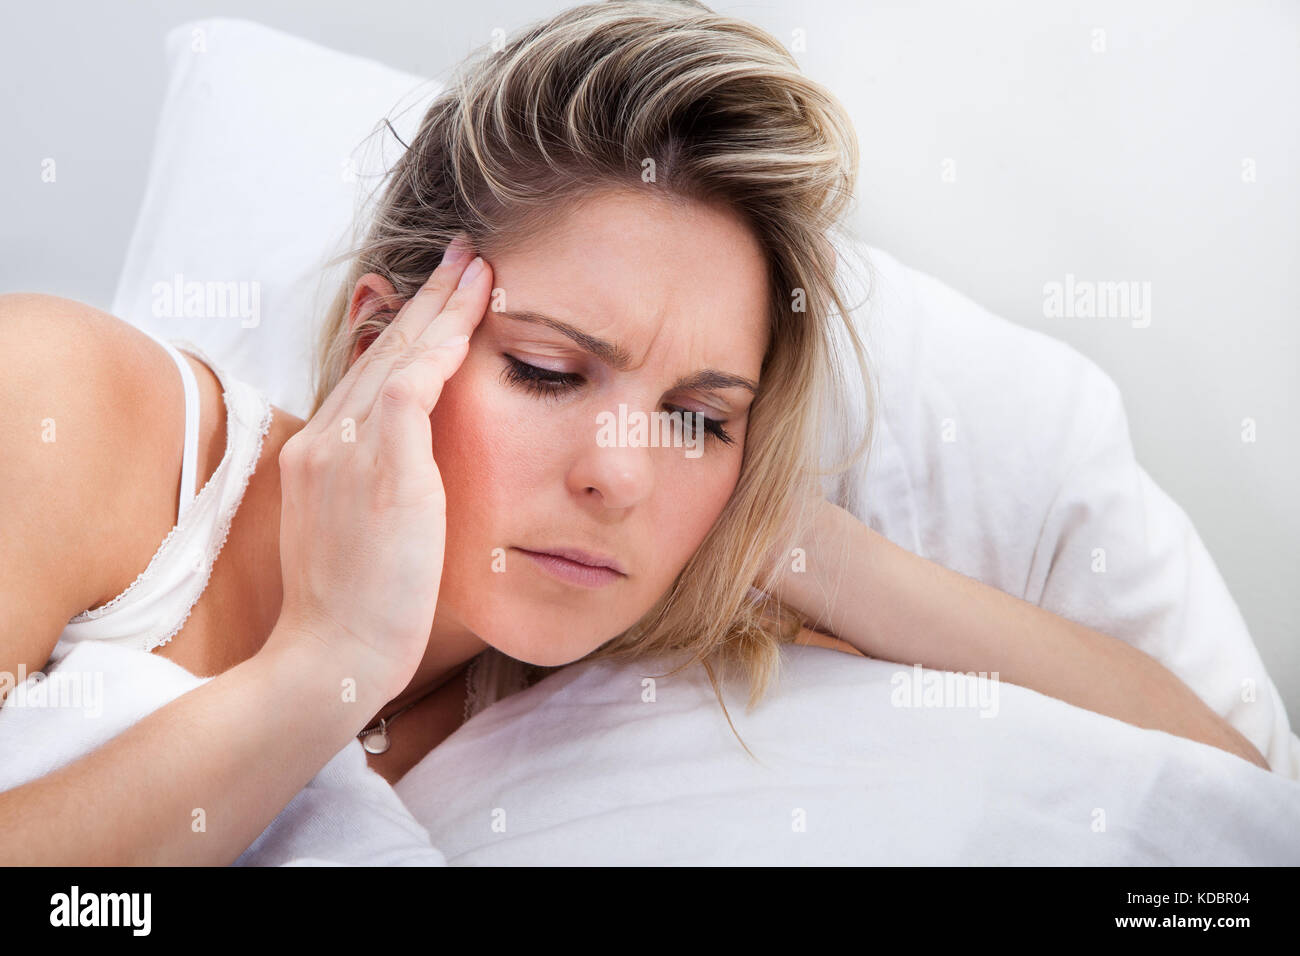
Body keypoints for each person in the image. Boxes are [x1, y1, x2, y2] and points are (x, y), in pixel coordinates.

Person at [0, 0, 1267, 866]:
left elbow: (1226, 790)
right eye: (548, 370)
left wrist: (785, 533)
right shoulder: (68, 414)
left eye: (694, 415)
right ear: (386, 331)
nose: (615, 474)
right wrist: (319, 664)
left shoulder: (620, 632)